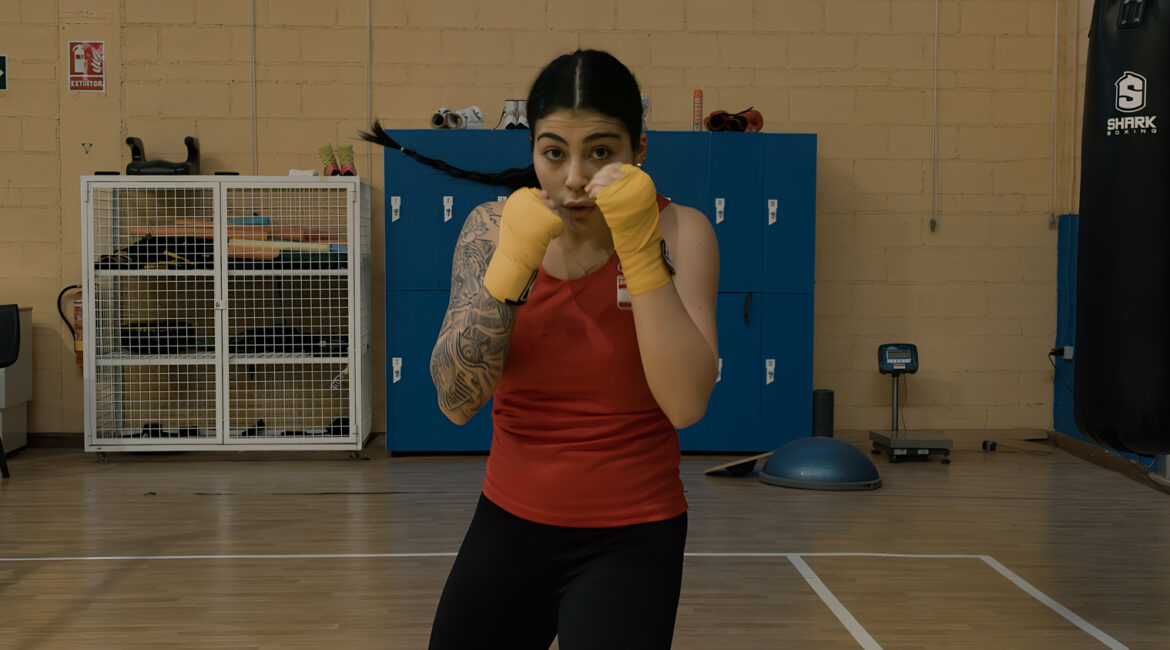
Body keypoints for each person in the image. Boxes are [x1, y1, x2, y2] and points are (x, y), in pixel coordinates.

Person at [363, 49, 719, 650]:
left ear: (640, 151)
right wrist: (509, 269)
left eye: (601, 151)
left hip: (633, 531)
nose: (575, 177)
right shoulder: (489, 229)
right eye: (554, 153)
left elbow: (686, 404)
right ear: (533, 150)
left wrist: (638, 251)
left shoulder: (682, 232)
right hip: (510, 519)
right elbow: (454, 400)